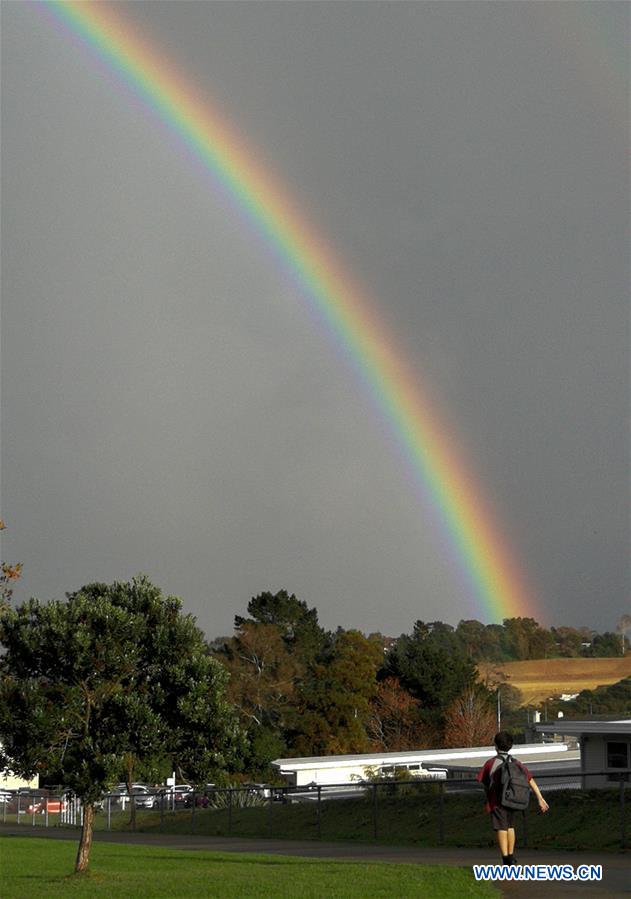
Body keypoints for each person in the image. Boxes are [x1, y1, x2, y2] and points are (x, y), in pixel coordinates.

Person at [477, 730, 549, 864]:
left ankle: (505, 859)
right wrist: (540, 798)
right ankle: (511, 855)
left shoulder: (491, 763)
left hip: (497, 802)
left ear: (495, 745)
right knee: (510, 826)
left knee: (501, 827)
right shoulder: (516, 763)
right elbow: (529, 779)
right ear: (510, 745)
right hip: (512, 800)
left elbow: (484, 781)